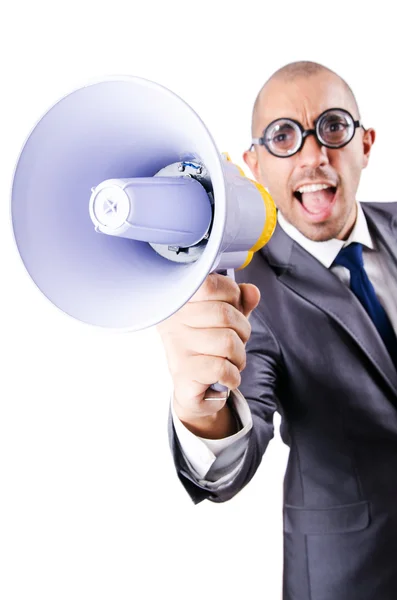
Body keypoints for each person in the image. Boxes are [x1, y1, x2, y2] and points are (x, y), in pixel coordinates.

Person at [156, 60, 397, 600]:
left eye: (334, 127)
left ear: (367, 144)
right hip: (354, 578)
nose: (314, 155)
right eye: (283, 136)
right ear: (254, 164)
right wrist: (199, 407)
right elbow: (234, 451)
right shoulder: (248, 288)